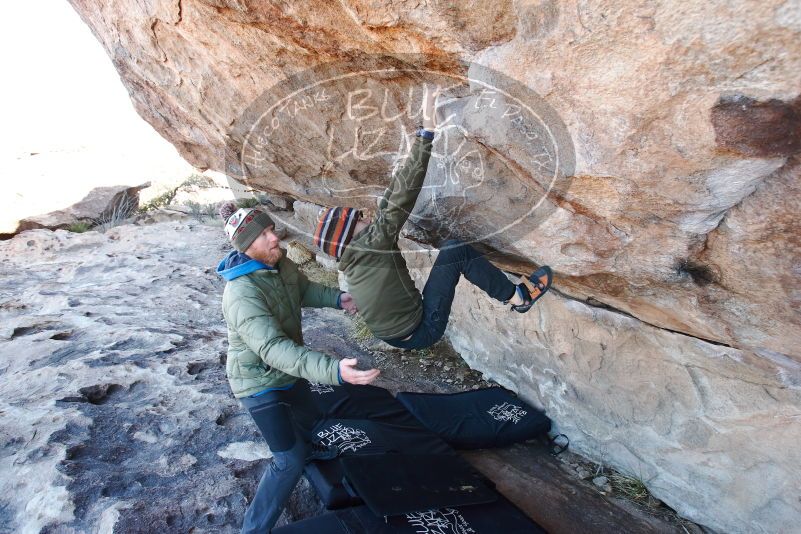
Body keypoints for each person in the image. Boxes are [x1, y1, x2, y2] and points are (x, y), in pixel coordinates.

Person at [313, 84, 553, 351]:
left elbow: (389, 202)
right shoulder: (374, 242)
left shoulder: (353, 257)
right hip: (421, 330)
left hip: (391, 335)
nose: (365, 217)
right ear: (350, 232)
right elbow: (405, 194)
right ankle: (518, 298)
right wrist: (427, 132)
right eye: (358, 218)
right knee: (455, 251)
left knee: (442, 245)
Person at [215, 203, 379, 533]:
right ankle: (254, 529)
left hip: (289, 369)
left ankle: (311, 449)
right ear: (247, 247)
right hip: (258, 380)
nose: (275, 237)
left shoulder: (278, 262)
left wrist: (338, 299)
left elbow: (302, 289)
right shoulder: (241, 294)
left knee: (310, 419)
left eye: (271, 229)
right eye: (264, 235)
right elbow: (273, 349)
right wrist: (333, 371)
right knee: (288, 461)